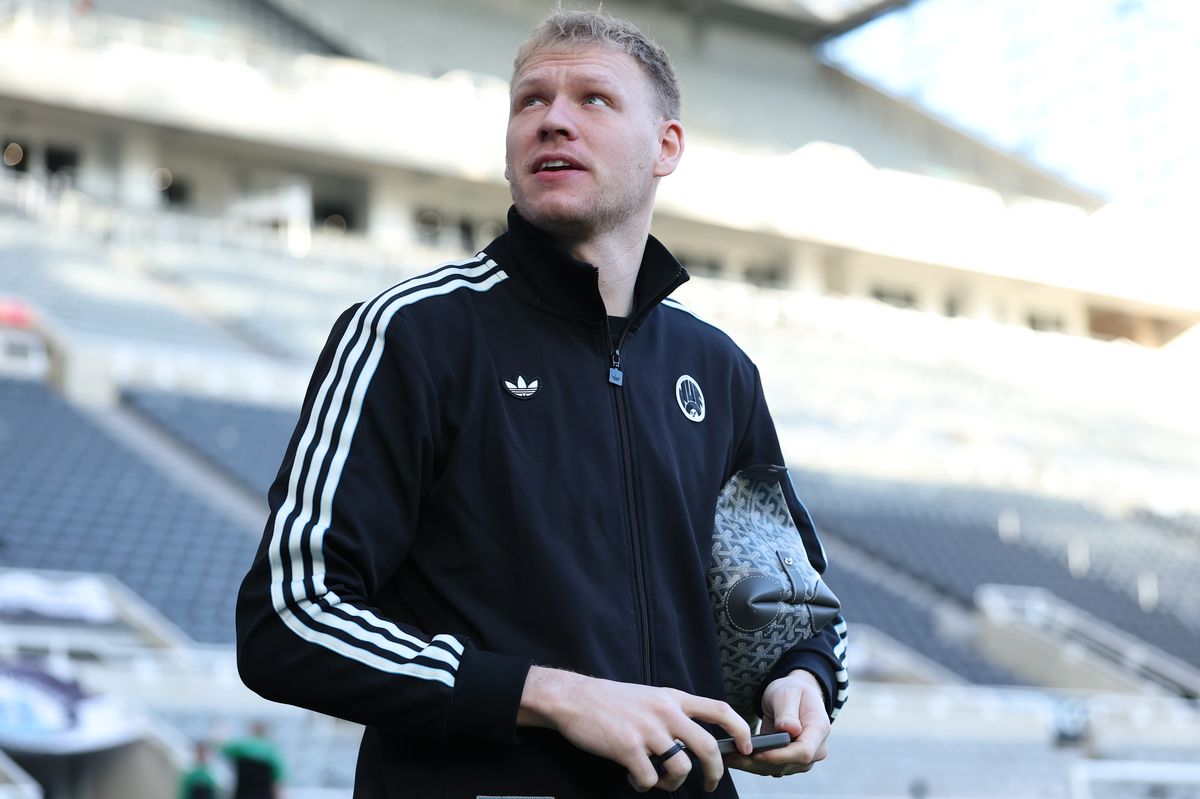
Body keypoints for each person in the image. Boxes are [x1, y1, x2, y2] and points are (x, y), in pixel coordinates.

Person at [235, 7, 847, 797]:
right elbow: (288, 619)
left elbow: (784, 610)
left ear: (667, 147)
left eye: (593, 98)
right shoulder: (411, 334)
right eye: (530, 101)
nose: (553, 119)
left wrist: (798, 676)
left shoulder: (720, 370)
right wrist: (550, 695)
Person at [220, 722, 285, 799]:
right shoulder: (272, 751)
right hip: (264, 794)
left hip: (242, 793)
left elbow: (223, 750)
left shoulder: (241, 746)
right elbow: (277, 781)